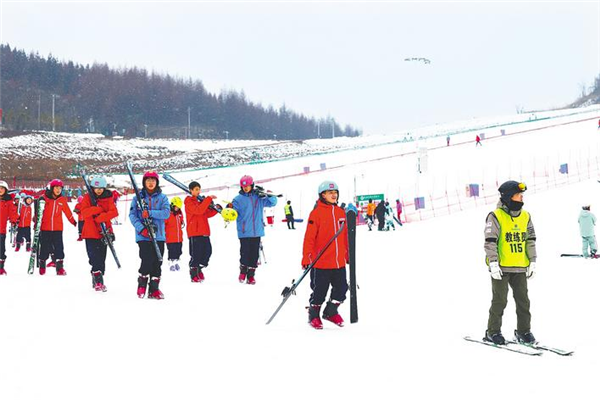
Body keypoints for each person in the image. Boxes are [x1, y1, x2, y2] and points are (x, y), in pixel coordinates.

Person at [483, 180, 537, 345]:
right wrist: (493, 263)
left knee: (523, 301)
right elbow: (490, 241)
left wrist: (532, 261)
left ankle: (523, 331)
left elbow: (530, 240)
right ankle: (493, 331)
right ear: (508, 197)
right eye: (518, 195)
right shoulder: (495, 216)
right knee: (500, 300)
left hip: (520, 266)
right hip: (501, 267)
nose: (521, 198)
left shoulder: (526, 216)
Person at [302, 180, 349, 329]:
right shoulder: (316, 213)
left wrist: (348, 255)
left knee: (341, 290)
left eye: (335, 193)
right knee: (319, 292)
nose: (333, 195)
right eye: (330, 193)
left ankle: (331, 311)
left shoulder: (342, 213)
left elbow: (346, 237)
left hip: (338, 262)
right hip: (321, 262)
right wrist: (306, 256)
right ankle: (313, 314)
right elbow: (309, 237)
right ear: (322, 195)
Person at [129, 171, 170, 299]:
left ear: (157, 182)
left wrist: (150, 212)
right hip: (143, 236)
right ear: (144, 182)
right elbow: (132, 215)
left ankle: (154, 289)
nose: (151, 183)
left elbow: (166, 213)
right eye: (148, 180)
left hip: (159, 235)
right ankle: (142, 284)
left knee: (158, 261)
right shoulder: (137, 198)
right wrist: (141, 229)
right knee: (146, 259)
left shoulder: (163, 198)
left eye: (153, 180)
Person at [232, 175, 277, 284]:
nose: (245, 188)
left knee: (254, 255)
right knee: (245, 253)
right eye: (243, 186)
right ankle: (243, 271)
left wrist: (267, 194)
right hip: (244, 231)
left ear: (252, 185)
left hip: (257, 231)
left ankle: (251, 275)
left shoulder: (259, 198)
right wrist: (229, 209)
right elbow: (232, 212)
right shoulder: (238, 199)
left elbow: (273, 202)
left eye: (247, 186)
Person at [80, 176, 118, 291]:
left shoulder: (108, 197)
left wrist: (102, 217)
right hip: (90, 232)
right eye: (96, 188)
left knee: (102, 258)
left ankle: (98, 277)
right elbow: (84, 213)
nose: (99, 190)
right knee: (93, 257)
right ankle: (98, 280)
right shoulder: (87, 198)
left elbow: (114, 212)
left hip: (104, 232)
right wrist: (98, 210)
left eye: (101, 188)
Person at [37, 179, 77, 276]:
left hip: (58, 229)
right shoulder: (44, 198)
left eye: (60, 188)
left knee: (59, 248)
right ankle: (42, 264)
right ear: (51, 188)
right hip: (45, 228)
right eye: (56, 188)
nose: (58, 190)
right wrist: (36, 224)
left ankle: (60, 268)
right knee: (44, 247)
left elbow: (67, 212)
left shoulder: (62, 200)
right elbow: (38, 213)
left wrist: (73, 221)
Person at [184, 182, 219, 283]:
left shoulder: (200, 202)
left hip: (204, 232)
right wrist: (208, 199)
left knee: (207, 252)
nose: (198, 191)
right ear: (190, 190)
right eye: (195, 189)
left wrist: (216, 209)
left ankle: (199, 268)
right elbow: (198, 211)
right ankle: (194, 272)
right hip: (194, 232)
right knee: (196, 254)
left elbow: (206, 213)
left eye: (199, 189)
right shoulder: (189, 202)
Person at [0, 181, 18, 275]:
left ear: (5, 190)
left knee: (1, 249)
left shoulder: (8, 202)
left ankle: (1, 267)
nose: (0, 190)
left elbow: (12, 213)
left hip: (1, 230)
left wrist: (14, 220)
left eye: (2, 188)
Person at [165, 196, 185, 272]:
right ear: (172, 205)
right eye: (176, 207)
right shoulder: (168, 214)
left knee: (179, 251)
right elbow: (164, 224)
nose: (178, 208)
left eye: (179, 207)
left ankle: (176, 262)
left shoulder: (179, 214)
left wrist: (182, 221)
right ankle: (171, 263)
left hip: (179, 238)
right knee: (172, 251)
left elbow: (181, 220)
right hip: (170, 238)